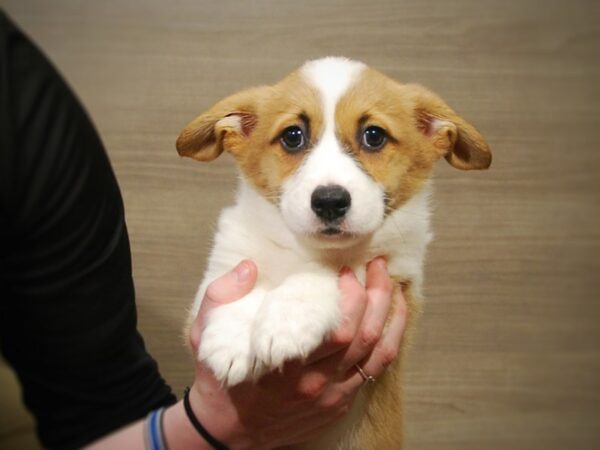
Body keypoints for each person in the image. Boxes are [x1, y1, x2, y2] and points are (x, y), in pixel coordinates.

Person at [0, 10, 407, 450]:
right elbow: (211, 329)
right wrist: (212, 414)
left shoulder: (27, 111)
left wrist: (311, 290)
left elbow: (97, 398)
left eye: (372, 137)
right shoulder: (246, 232)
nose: (330, 184)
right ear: (239, 133)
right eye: (292, 137)